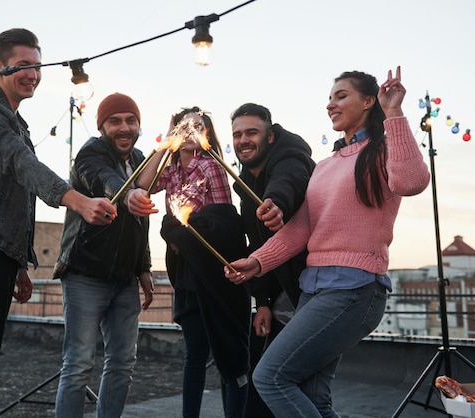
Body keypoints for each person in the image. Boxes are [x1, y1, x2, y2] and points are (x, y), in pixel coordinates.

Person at [0, 28, 117, 418]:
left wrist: (18, 262)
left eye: (38, 66)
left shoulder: (18, 123)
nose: (33, 74)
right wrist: (80, 202)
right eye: (24, 65)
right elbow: (21, 163)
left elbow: (14, 196)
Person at [225, 66, 430, 417]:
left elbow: (412, 182)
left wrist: (394, 112)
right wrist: (257, 262)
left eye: (341, 96)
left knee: (271, 377)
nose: (331, 104)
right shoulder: (325, 165)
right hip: (315, 290)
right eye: (330, 98)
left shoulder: (382, 150)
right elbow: (301, 227)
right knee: (314, 398)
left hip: (354, 289)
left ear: (369, 100)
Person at [137, 107, 251, 418]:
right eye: (183, 127)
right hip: (186, 272)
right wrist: (164, 145)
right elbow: (142, 187)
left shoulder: (211, 165)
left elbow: (221, 223)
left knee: (229, 352)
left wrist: (176, 234)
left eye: (196, 127)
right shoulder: (172, 168)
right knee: (195, 353)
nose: (189, 132)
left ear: (207, 134)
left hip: (212, 270)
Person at [53, 92, 156, 418]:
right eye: (115, 121)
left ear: (139, 125)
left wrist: (144, 267)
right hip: (85, 273)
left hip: (125, 278)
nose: (124, 127)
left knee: (123, 363)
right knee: (79, 364)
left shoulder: (140, 157)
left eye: (130, 120)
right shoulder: (91, 152)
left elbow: (141, 221)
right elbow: (105, 180)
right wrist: (128, 195)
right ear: (102, 127)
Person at [230, 103, 316, 417]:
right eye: (237, 134)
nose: (243, 140)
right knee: (265, 380)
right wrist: (263, 300)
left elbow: (288, 182)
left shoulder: (291, 157)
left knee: (289, 384)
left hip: (311, 290)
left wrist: (276, 204)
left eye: (251, 132)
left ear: (270, 135)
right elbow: (258, 243)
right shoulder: (243, 181)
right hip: (281, 295)